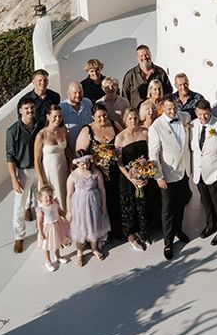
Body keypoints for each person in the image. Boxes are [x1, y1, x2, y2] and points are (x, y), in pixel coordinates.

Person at [148, 95, 192, 260]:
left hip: (184, 170)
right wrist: (158, 176)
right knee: (167, 210)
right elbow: (153, 155)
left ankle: (179, 230)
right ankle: (168, 242)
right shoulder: (155, 127)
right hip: (167, 174)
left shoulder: (185, 117)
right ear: (162, 109)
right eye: (169, 109)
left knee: (181, 204)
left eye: (174, 108)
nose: (173, 111)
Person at [76, 104, 123, 241]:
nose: (102, 118)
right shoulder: (88, 130)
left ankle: (119, 230)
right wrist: (93, 164)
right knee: (101, 204)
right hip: (97, 173)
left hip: (116, 171)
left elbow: (123, 141)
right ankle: (103, 234)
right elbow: (80, 154)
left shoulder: (114, 125)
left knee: (116, 201)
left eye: (104, 115)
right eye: (99, 117)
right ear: (93, 117)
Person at [190, 99, 217, 245]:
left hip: (216, 173)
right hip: (199, 173)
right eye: (200, 115)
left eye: (206, 115)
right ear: (196, 112)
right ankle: (210, 225)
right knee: (206, 203)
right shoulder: (193, 125)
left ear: (210, 111)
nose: (203, 118)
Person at [6, 97, 43, 253]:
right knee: (19, 206)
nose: (30, 111)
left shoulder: (40, 126)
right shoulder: (12, 131)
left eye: (32, 108)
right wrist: (14, 179)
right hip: (23, 171)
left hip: (40, 168)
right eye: (27, 108)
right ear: (20, 110)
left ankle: (41, 231)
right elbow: (9, 157)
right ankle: (19, 237)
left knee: (41, 203)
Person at [115, 107, 155, 252]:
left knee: (144, 204)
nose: (133, 121)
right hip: (128, 179)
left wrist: (147, 172)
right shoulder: (120, 138)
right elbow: (119, 162)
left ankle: (144, 232)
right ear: (125, 120)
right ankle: (131, 235)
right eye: (130, 118)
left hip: (145, 175)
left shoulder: (145, 132)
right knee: (130, 207)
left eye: (136, 118)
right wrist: (131, 178)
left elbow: (151, 154)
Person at [66, 152, 110, 267]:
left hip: (93, 204)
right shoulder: (73, 175)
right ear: (77, 164)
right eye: (82, 164)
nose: (85, 166)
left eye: (86, 163)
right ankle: (79, 252)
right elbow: (69, 194)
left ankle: (94, 248)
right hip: (79, 206)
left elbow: (102, 189)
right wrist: (69, 211)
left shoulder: (95, 173)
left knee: (93, 224)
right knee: (81, 227)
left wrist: (104, 204)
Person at [34, 104, 70, 210]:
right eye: (55, 116)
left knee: (65, 196)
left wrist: (71, 163)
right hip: (49, 172)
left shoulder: (63, 130)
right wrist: (42, 180)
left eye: (60, 116)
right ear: (48, 116)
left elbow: (67, 149)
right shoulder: (42, 135)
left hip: (63, 169)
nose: (57, 119)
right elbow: (36, 160)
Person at [36, 185, 70, 272]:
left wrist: (66, 215)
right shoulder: (41, 209)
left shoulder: (54, 203)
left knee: (57, 241)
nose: (48, 198)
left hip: (57, 225)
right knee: (46, 246)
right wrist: (41, 233)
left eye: (50, 196)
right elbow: (39, 223)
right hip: (47, 229)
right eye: (46, 197)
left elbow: (60, 212)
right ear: (41, 198)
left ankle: (58, 256)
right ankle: (48, 261)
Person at [60, 81, 93, 151]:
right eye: (75, 93)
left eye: (80, 92)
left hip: (88, 150)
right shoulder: (62, 108)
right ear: (68, 94)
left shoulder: (88, 103)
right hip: (70, 151)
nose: (78, 95)